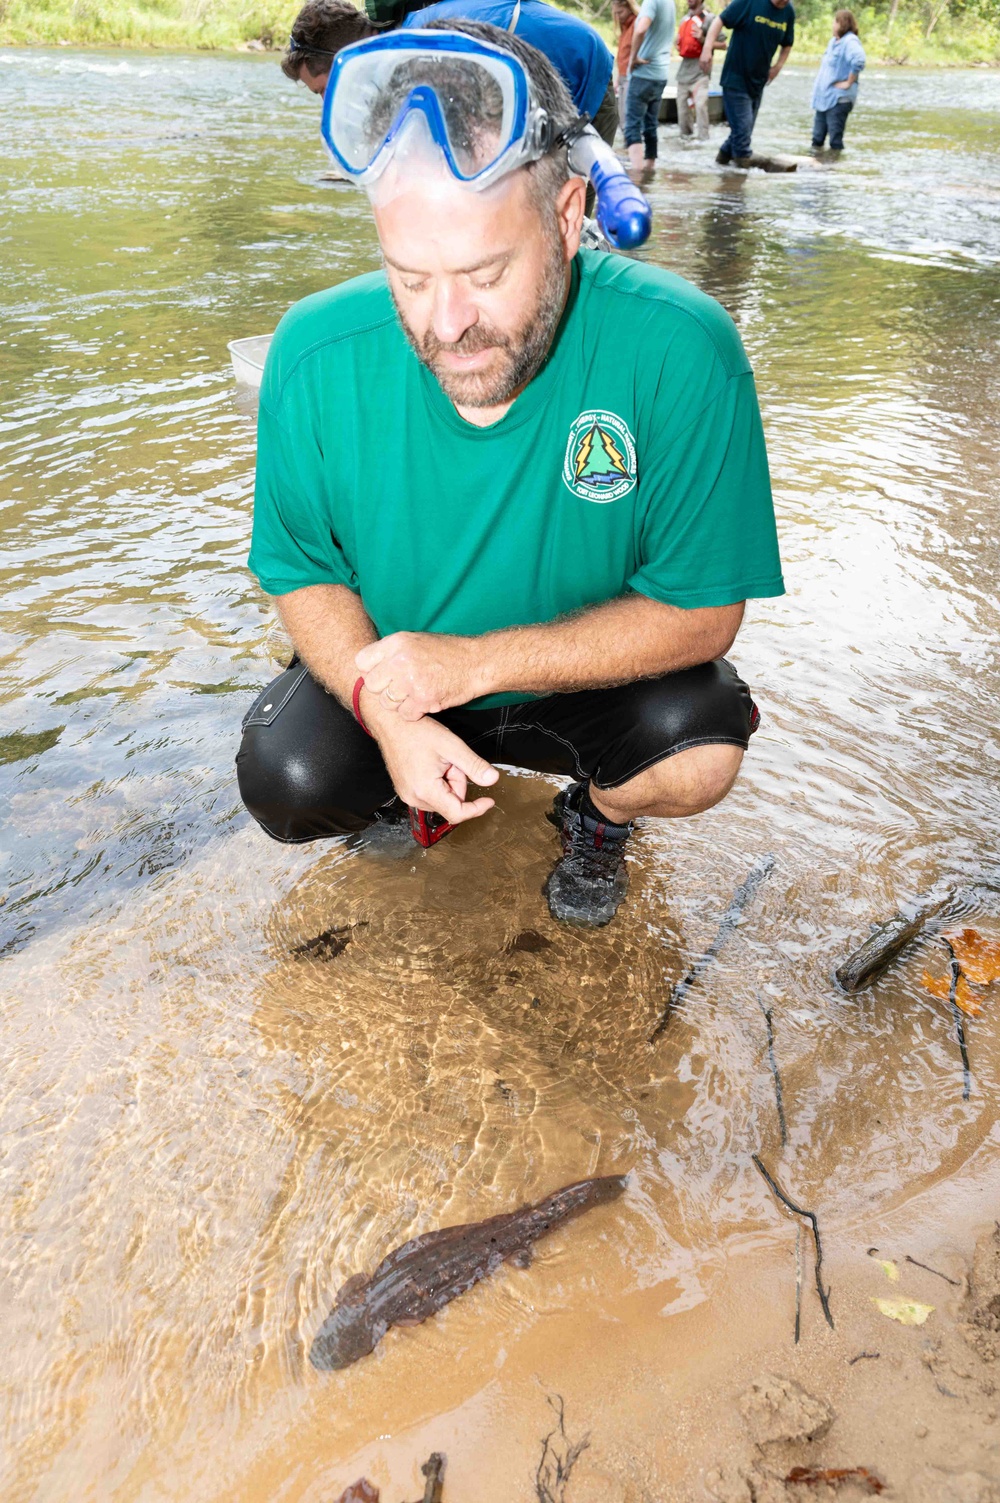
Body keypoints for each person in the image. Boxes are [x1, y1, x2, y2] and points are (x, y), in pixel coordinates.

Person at [239, 21, 784, 929]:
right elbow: (304, 572)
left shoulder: (684, 348)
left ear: (569, 218)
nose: (446, 325)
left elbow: (703, 611)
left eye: (485, 274)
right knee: (290, 778)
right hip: (403, 679)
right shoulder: (310, 352)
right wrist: (389, 713)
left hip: (574, 686)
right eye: (408, 278)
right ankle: (396, 793)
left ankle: (598, 815)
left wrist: (474, 663)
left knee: (696, 759)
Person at [282, 0, 619, 149]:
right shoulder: (406, 40)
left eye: (323, 91)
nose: (329, 103)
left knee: (563, 229)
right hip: (557, 72)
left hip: (584, 75)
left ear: (344, 60)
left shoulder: (420, 45)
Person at [699, 0, 794, 168]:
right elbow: (720, 20)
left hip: (758, 82)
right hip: (736, 78)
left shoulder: (788, 11)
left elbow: (787, 43)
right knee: (742, 135)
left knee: (742, 132)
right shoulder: (750, 2)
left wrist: (778, 67)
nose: (785, 3)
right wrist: (707, 48)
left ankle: (720, 167)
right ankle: (740, 186)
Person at [623, 0, 675, 173]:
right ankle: (649, 169)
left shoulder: (652, 1)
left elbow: (641, 28)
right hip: (661, 73)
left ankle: (637, 175)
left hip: (643, 73)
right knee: (650, 124)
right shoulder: (670, 3)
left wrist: (633, 57)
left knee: (632, 125)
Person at [810, 8, 865, 153]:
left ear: (843, 24)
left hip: (839, 99)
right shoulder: (833, 41)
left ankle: (834, 170)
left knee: (835, 140)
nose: (833, 25)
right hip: (824, 98)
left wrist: (848, 82)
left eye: (835, 22)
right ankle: (815, 171)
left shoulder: (850, 41)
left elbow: (859, 60)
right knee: (817, 139)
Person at [674, 0, 723, 142]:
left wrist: (702, 39)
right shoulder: (685, 19)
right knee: (683, 112)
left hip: (701, 73)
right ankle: (686, 141)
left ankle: (704, 141)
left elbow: (723, 44)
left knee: (701, 106)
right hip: (683, 73)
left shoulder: (710, 19)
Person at [612, 0, 638, 129]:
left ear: (629, 8)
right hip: (623, 76)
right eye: (616, 13)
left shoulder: (637, 24)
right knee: (622, 118)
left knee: (628, 118)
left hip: (633, 77)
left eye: (620, 12)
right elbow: (622, 55)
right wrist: (617, 79)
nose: (618, 16)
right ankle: (626, 147)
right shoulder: (624, 27)